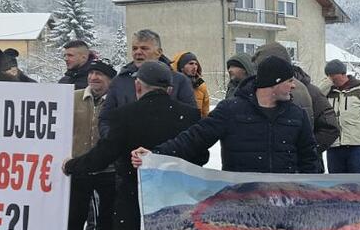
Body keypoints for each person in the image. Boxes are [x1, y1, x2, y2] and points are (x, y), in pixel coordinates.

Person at [64, 61, 200, 230]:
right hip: (175, 197)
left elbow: (103, 155)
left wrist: (71, 166)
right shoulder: (189, 115)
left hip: (134, 197)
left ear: (138, 86)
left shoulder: (123, 116)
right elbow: (200, 156)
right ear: (170, 89)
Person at [134, 55, 322, 175]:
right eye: (289, 80)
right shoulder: (231, 110)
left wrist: (314, 192)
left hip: (285, 201)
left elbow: (310, 159)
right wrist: (155, 155)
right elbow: (194, 138)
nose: (294, 85)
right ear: (275, 82)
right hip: (241, 202)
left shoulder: (297, 115)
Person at [61, 61, 120, 230]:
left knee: (109, 226)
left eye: (100, 74)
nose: (94, 77)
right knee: (72, 223)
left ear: (110, 80)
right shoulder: (72, 98)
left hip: (108, 170)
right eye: (91, 73)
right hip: (77, 168)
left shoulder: (115, 102)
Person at [100, 29, 197, 135]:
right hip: (126, 148)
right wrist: (116, 139)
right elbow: (105, 119)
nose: (138, 52)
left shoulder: (179, 81)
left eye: (144, 48)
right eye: (134, 48)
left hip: (165, 148)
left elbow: (189, 119)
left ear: (159, 52)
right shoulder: (119, 81)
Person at [251, 43, 339, 154]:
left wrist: (306, 150)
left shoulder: (311, 91)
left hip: (303, 166)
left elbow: (330, 128)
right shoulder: (254, 91)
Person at [319, 59, 360, 174]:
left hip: (356, 145)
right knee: (337, 185)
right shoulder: (327, 91)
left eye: (334, 77)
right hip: (334, 145)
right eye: (329, 78)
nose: (332, 80)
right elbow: (316, 99)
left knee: (358, 182)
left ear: (343, 74)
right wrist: (326, 84)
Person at [171, 51, 211, 118]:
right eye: (191, 64)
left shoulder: (201, 86)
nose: (194, 67)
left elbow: (205, 112)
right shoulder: (172, 85)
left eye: (196, 64)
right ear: (181, 67)